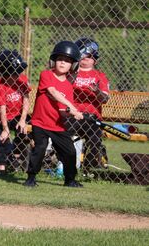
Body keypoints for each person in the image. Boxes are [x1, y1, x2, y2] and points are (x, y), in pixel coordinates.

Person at [23, 40, 84, 188]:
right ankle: (31, 177)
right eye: (60, 59)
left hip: (57, 125)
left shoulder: (69, 87)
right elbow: (52, 91)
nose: (63, 63)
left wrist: (72, 113)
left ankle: (70, 180)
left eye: (67, 61)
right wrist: (72, 106)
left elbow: (63, 112)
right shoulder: (46, 75)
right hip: (40, 122)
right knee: (40, 148)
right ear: (54, 61)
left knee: (69, 151)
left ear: (73, 65)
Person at [70, 38, 110, 173]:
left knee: (95, 138)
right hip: (73, 114)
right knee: (65, 135)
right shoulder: (71, 73)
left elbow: (104, 99)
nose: (86, 58)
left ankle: (88, 167)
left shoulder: (99, 76)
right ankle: (65, 165)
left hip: (92, 118)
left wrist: (97, 91)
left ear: (95, 60)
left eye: (90, 56)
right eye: (84, 55)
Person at [0, 50, 31, 173]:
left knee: (27, 133)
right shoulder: (2, 85)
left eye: (19, 72)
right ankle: (2, 168)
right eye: (14, 73)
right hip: (4, 118)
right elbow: (2, 109)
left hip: (18, 116)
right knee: (3, 140)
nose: (17, 75)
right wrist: (5, 129)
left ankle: (20, 162)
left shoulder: (22, 80)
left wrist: (23, 120)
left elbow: (26, 100)